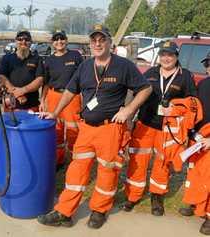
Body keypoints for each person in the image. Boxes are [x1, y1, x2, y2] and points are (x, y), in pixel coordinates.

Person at [37, 24, 152, 229]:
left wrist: (129, 110)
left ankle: (99, 210)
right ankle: (65, 212)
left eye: (102, 40)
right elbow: (71, 91)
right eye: (94, 41)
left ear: (110, 43)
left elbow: (145, 88)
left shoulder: (123, 66)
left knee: (108, 171)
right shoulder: (84, 66)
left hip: (110, 129)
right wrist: (54, 112)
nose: (97, 44)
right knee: (76, 170)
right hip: (86, 129)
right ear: (90, 44)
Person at [123, 41, 197, 216]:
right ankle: (132, 196)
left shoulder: (185, 76)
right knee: (137, 161)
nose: (166, 58)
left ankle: (157, 197)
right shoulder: (150, 73)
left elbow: (193, 103)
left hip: (169, 128)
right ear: (159, 56)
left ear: (176, 57)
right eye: (163, 54)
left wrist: (175, 109)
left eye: (170, 54)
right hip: (145, 124)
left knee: (162, 162)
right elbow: (135, 95)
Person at [40, 30, 83, 168]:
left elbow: (83, 78)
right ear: (52, 42)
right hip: (54, 96)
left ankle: (75, 161)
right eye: (56, 39)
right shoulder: (49, 60)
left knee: (73, 130)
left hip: (72, 97)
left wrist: (84, 98)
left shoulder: (75, 56)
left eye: (62, 38)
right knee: (56, 129)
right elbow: (46, 83)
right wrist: (42, 100)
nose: (59, 42)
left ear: (67, 40)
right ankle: (58, 160)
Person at [179, 51, 210, 235]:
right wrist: (192, 132)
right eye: (208, 64)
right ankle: (193, 201)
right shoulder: (203, 84)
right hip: (199, 137)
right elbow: (196, 110)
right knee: (195, 172)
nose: (209, 68)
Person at [0, 30, 44, 111]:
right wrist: (16, 94)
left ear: (31, 42)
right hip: (11, 105)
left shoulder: (37, 59)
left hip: (32, 105)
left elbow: (40, 80)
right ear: (15, 41)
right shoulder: (7, 58)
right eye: (20, 39)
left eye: (27, 39)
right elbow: (2, 77)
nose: (23, 41)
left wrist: (23, 90)